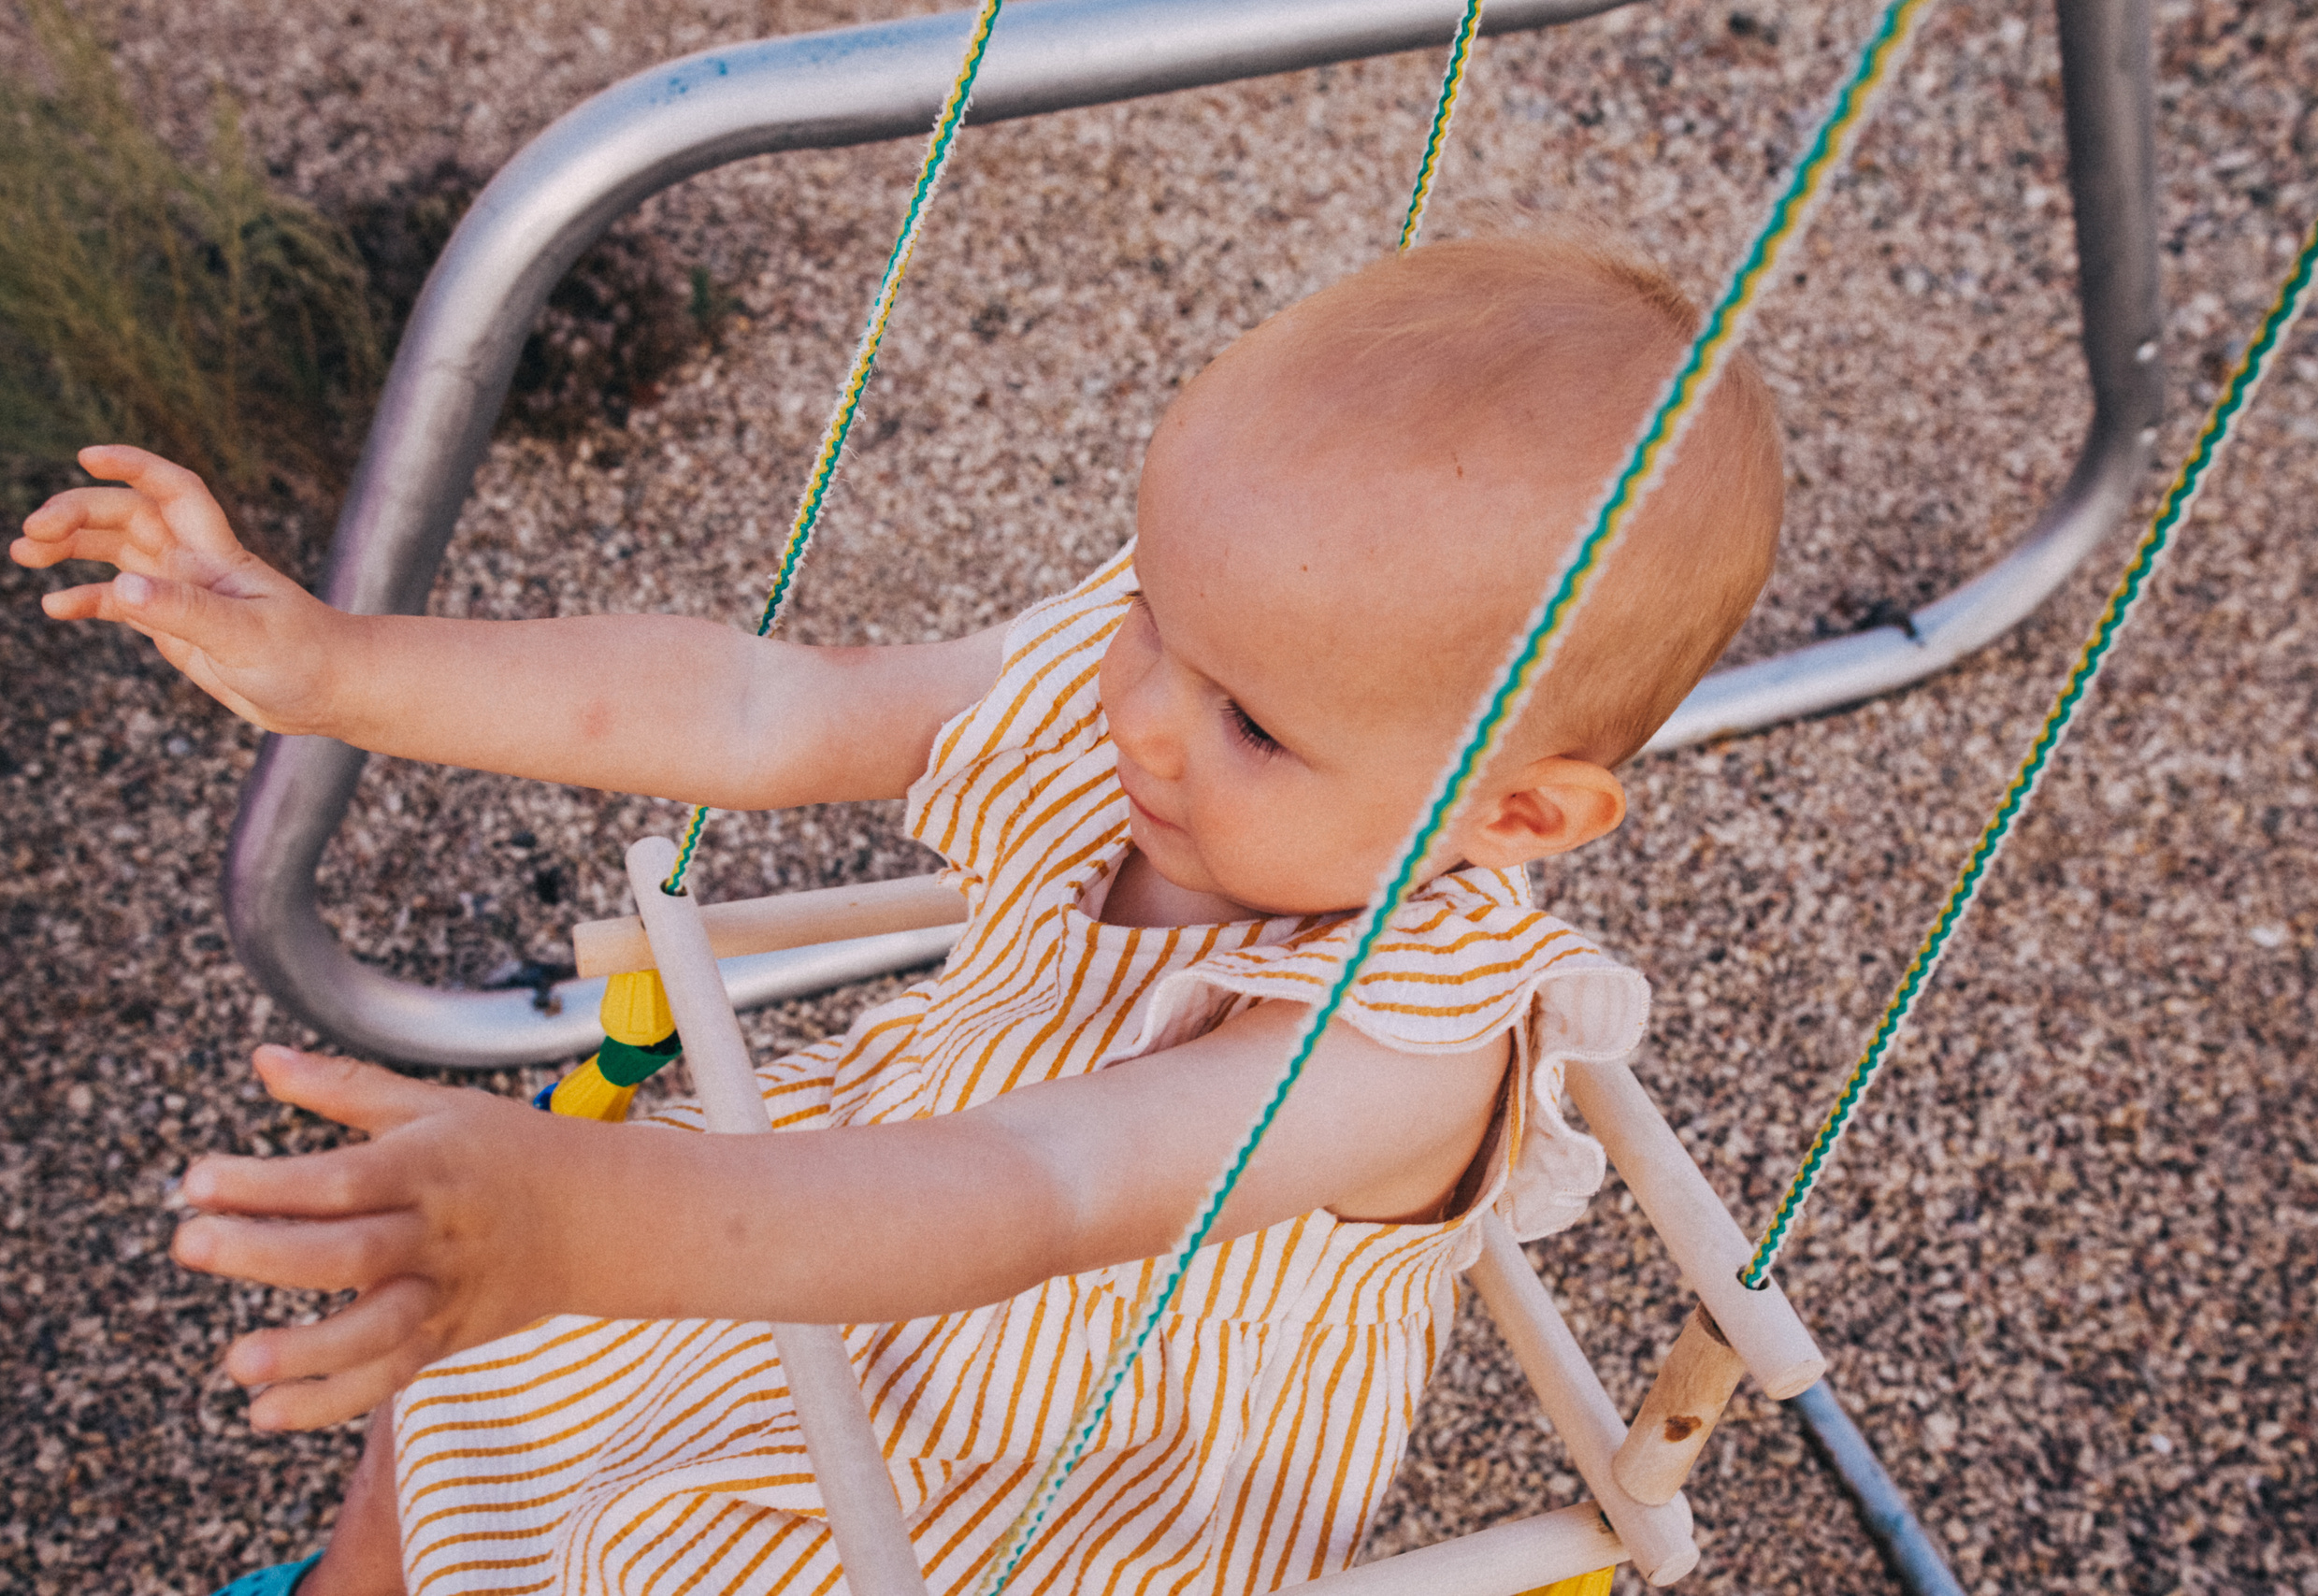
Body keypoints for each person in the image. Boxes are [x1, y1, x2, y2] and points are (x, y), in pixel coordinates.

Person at [14, 232, 1782, 1596]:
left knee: (653, 1542)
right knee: (474, 1383)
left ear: (1518, 811)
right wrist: (338, 665)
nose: (1147, 715)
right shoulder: (1186, 678)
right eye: (1156, 608)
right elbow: (757, 709)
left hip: (1069, 1453)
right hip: (861, 1196)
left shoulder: (1416, 1035)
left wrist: (587, 1219)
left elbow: (1046, 1190)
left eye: (1251, 721)